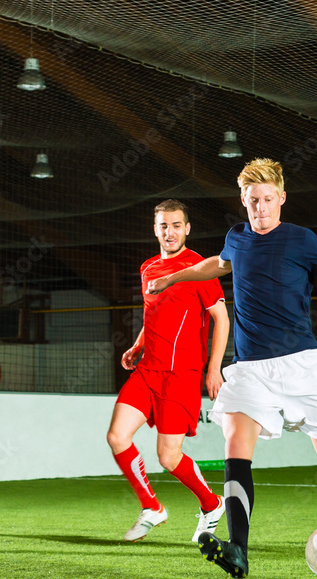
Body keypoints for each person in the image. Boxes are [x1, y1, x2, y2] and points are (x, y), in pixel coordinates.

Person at [148, 158, 317, 579]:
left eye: (267, 199)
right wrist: (172, 278)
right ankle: (238, 549)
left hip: (302, 366)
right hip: (249, 369)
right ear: (242, 202)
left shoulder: (304, 241)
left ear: (281, 198)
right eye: (251, 201)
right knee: (235, 447)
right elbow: (218, 263)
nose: (260, 208)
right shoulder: (237, 238)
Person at [106, 199, 231, 543]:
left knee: (168, 456)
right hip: (148, 370)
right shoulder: (148, 268)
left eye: (176, 225)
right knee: (117, 436)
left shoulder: (200, 268)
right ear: (155, 229)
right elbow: (155, 314)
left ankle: (212, 504)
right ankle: (152, 508)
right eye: (163, 225)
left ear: (187, 229)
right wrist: (137, 345)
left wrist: (214, 369)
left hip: (182, 375)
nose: (170, 231)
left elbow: (222, 319)